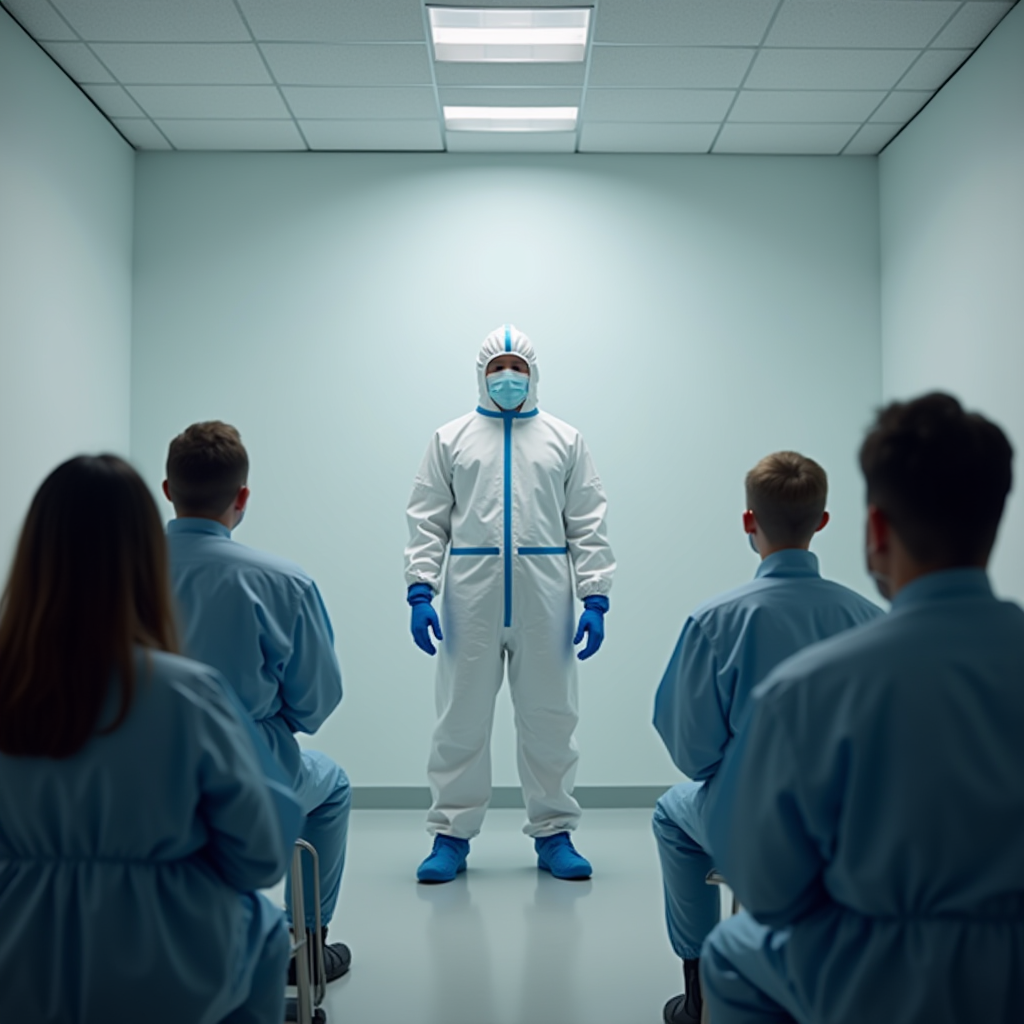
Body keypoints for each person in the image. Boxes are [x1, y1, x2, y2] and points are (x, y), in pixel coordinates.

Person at [702, 393, 1024, 1024]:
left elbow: (769, 889)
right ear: (995, 518)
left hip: (884, 978)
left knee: (731, 953)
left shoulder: (811, 691)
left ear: (876, 529)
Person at [0, 455, 301, 1023]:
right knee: (262, 934)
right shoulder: (187, 695)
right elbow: (259, 860)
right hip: (164, 970)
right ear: (143, 555)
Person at [652, 451, 882, 1024]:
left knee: (669, 817)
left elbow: (693, 755)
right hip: (850, 821)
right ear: (823, 521)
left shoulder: (715, 621)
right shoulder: (871, 620)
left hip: (754, 818)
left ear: (749, 520)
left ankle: (701, 991)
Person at [405, 324, 615, 883]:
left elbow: (588, 522)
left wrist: (594, 596)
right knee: (460, 719)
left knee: (550, 717)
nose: (506, 377)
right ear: (481, 373)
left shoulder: (564, 440)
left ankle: (555, 834)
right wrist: (420, 588)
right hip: (467, 595)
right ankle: (450, 835)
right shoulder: (450, 439)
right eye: (496, 367)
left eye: (516, 367)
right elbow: (426, 519)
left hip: (546, 594)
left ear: (533, 373)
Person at [163, 421, 352, 984]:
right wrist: (270, 720)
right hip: (245, 767)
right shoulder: (283, 583)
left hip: (125, 769)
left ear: (169, 489)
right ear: (242, 497)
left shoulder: (110, 576)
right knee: (333, 788)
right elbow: (316, 703)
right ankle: (305, 947)